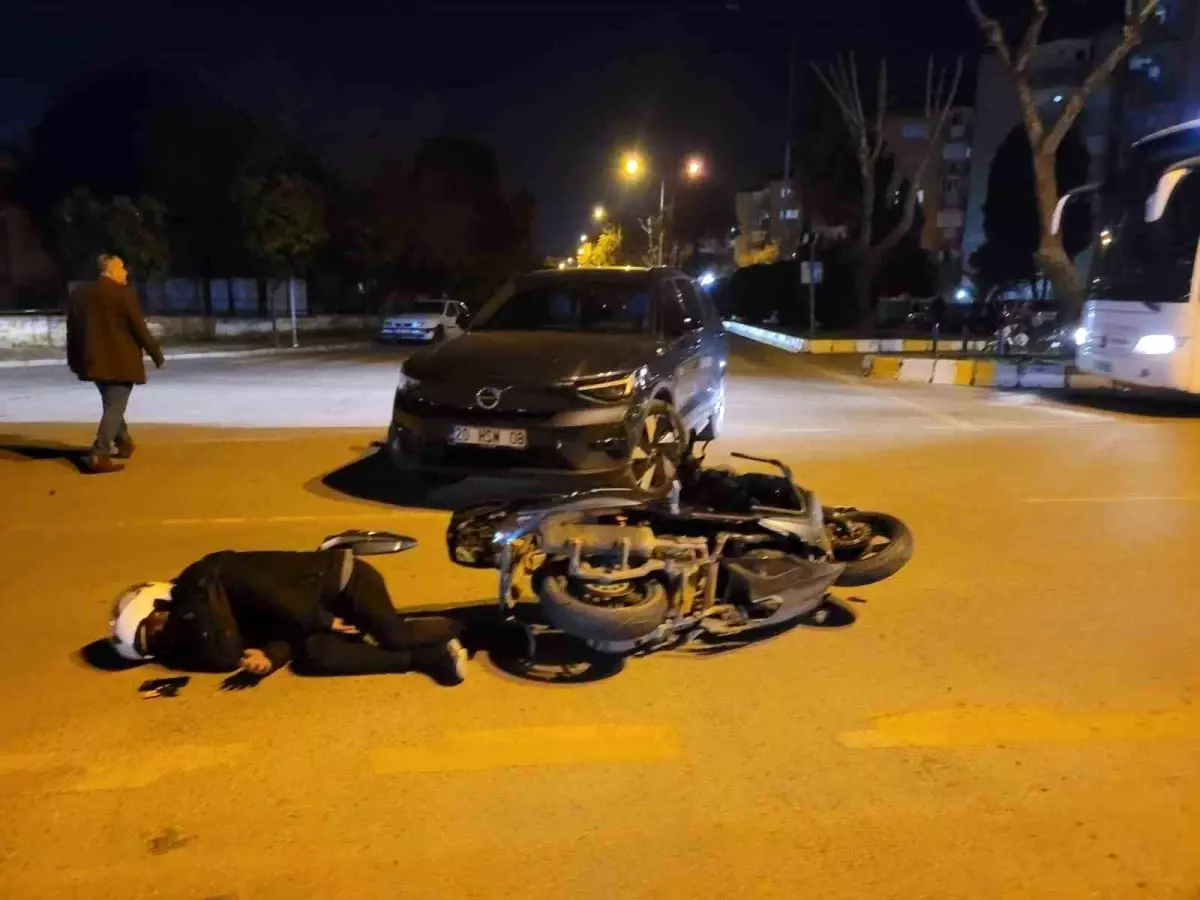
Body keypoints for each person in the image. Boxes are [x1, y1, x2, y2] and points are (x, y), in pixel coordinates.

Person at [108, 548, 468, 684]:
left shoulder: (215, 578)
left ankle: (473, 626)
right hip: (317, 607)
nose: (164, 640)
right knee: (316, 657)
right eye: (154, 645)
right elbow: (280, 626)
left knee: (394, 635)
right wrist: (270, 654)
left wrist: (322, 621)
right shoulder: (214, 613)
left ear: (159, 605)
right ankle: (428, 657)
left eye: (153, 632)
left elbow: (278, 602)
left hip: (343, 581)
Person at [66, 254, 165, 474]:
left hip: (91, 361)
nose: (125, 272)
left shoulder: (79, 294)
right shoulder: (122, 294)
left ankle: (124, 442)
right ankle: (99, 453)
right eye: (121, 268)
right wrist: (156, 354)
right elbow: (139, 328)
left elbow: (72, 331)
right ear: (109, 270)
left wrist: (73, 359)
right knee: (115, 404)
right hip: (119, 362)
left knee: (112, 402)